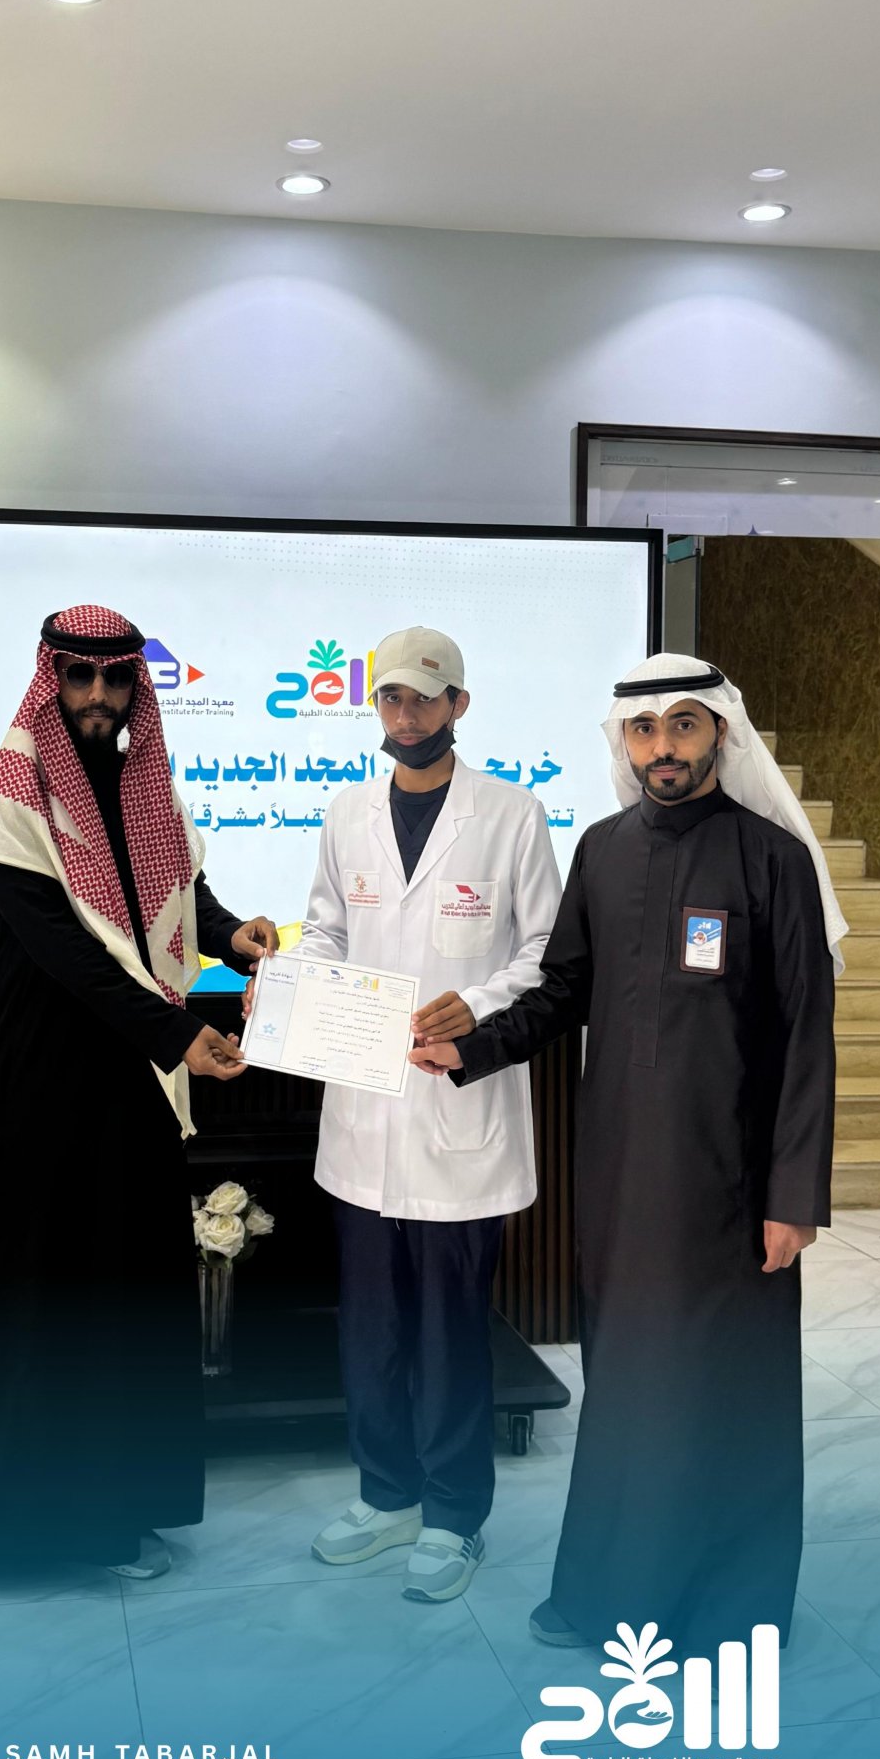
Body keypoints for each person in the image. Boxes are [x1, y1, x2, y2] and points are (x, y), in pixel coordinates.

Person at [410, 653, 844, 1655]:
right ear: (624, 743)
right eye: (645, 730)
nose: (664, 748)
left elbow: (804, 1038)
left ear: (719, 732)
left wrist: (794, 1194)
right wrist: (471, 1050)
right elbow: (564, 990)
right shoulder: (602, 851)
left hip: (733, 1185)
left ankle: (730, 1613)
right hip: (618, 1177)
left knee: (725, 1391)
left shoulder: (773, 859)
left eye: (684, 725)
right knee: (629, 1390)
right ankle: (609, 1595)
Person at [0, 605, 275, 1622]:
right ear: (49, 681)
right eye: (79, 676)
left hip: (127, 1096)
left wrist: (234, 935)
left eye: (116, 678)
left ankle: (111, 1515)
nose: (99, 696)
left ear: (136, 686)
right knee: (13, 1301)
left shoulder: (152, 794)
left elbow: (174, 906)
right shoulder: (10, 804)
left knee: (118, 1302)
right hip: (32, 1097)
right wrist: (179, 1034)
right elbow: (69, 955)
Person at [265, 626, 562, 1602]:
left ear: (458, 705)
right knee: (372, 1331)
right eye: (391, 697)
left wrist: (472, 1006)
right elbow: (328, 931)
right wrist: (292, 983)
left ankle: (453, 1516)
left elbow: (546, 952)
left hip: (455, 1120)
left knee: (448, 1335)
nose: (406, 715)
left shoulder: (511, 814)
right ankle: (385, 1495)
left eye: (425, 697)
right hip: (363, 1122)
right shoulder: (345, 813)